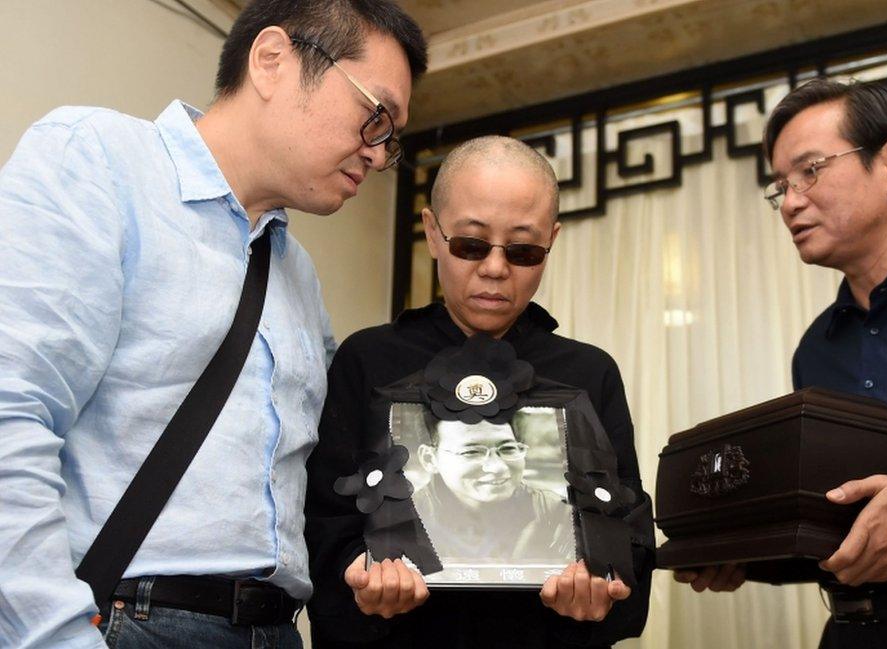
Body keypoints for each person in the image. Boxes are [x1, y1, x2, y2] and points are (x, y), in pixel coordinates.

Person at [0, 1, 426, 647]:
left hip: (275, 627)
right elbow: (11, 412)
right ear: (273, 61)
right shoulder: (102, 159)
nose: (377, 153)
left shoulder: (296, 271)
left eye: (390, 138)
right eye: (375, 116)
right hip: (125, 619)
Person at [305, 135, 654, 648]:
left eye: (523, 250)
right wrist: (360, 580)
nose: (494, 268)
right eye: (470, 245)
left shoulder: (588, 372)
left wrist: (602, 587)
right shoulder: (369, 360)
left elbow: (631, 532)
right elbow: (321, 521)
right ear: (431, 231)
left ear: (551, 242)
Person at [675, 78, 887, 647]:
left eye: (810, 171)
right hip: (852, 630)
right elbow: (838, 527)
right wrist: (742, 551)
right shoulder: (817, 349)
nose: (789, 202)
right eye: (780, 186)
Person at [413, 416, 575, 563]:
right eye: (472, 452)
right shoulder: (406, 518)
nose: (497, 467)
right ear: (430, 459)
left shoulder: (557, 513)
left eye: (508, 449)